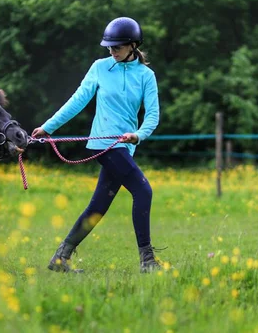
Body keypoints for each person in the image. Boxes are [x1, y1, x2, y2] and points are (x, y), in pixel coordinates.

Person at [32, 17, 162, 273]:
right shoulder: (99, 68)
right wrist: (48, 127)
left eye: (117, 47)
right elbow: (77, 100)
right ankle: (147, 261)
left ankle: (61, 258)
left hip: (126, 145)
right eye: (109, 47)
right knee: (143, 191)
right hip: (104, 143)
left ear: (133, 45)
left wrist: (138, 135)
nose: (111, 51)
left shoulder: (146, 76)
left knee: (98, 206)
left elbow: (153, 116)